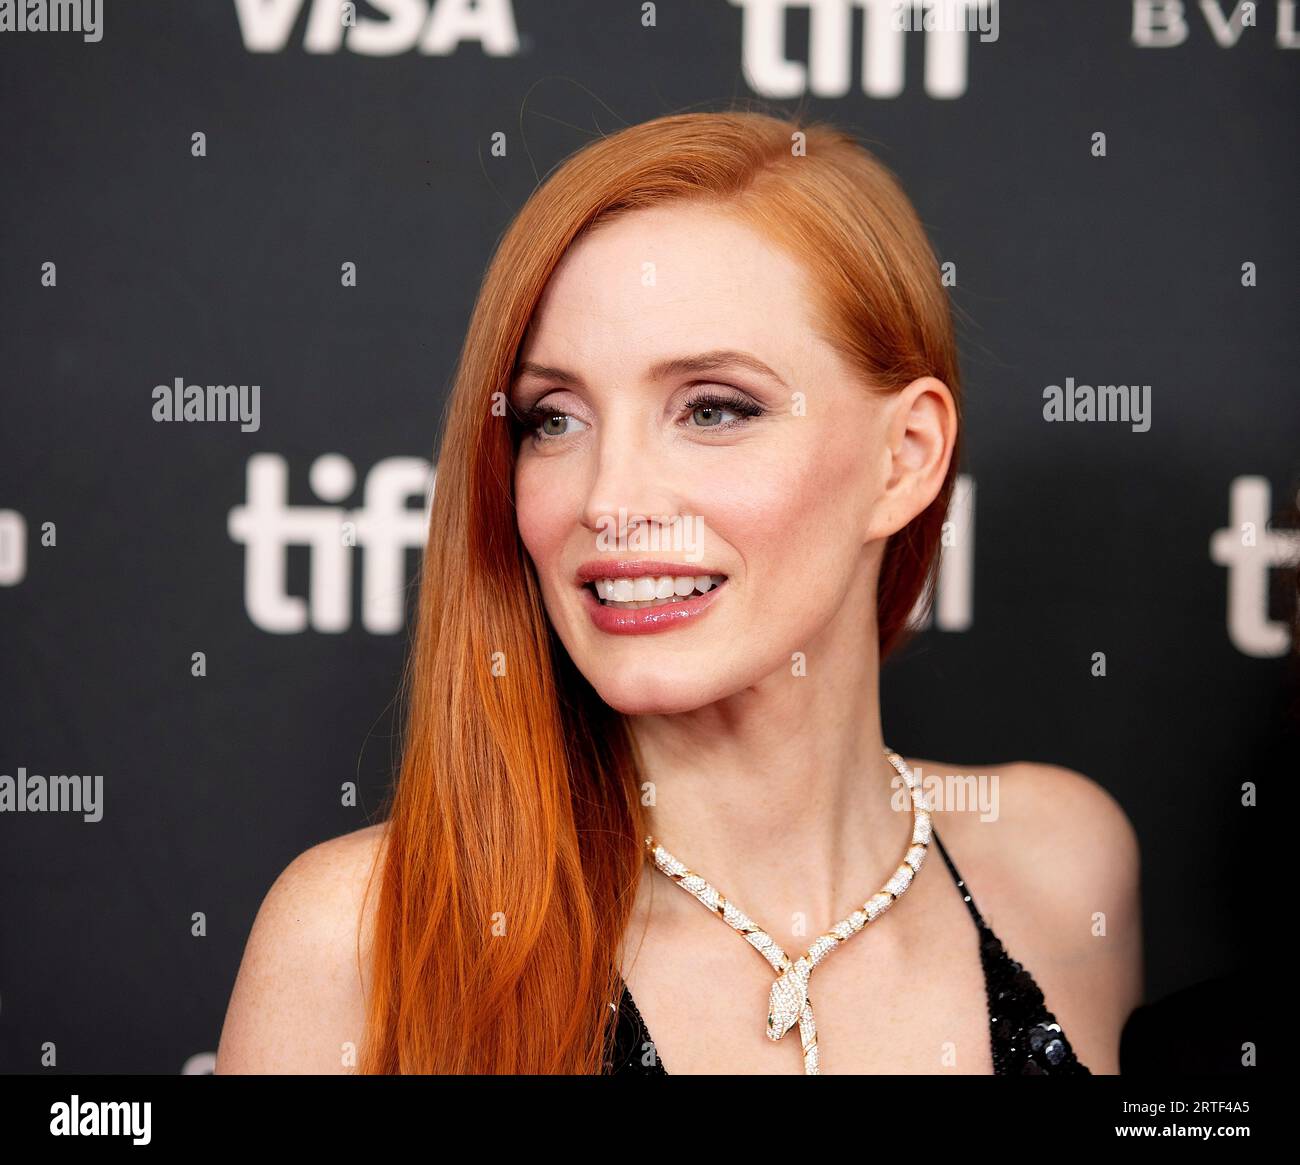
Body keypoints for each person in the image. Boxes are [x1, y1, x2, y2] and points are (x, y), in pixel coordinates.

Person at [215, 108, 1143, 1075]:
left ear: (903, 459)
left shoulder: (1059, 860)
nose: (610, 500)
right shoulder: (362, 940)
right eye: (553, 420)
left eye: (711, 408)